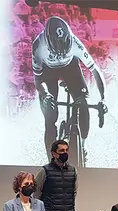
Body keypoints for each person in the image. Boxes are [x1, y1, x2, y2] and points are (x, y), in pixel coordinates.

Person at [32, 16, 107, 158]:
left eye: (63, 51)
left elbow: (95, 71)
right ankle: (50, 159)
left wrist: (103, 99)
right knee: (49, 116)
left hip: (70, 68)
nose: (60, 54)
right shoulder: (38, 46)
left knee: (84, 104)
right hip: (48, 72)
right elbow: (38, 79)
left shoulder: (75, 44)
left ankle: (83, 145)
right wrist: (46, 94)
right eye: (56, 52)